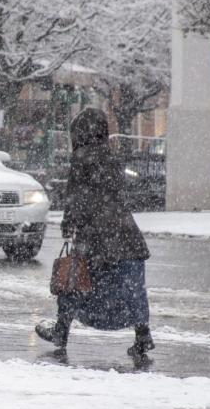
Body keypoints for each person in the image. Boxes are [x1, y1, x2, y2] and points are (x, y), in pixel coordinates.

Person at [35, 107, 154, 358]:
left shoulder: (81, 158)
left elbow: (77, 197)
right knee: (132, 287)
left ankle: (61, 331)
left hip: (95, 235)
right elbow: (116, 195)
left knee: (73, 281)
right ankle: (143, 335)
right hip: (125, 233)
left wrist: (69, 224)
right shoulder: (112, 158)